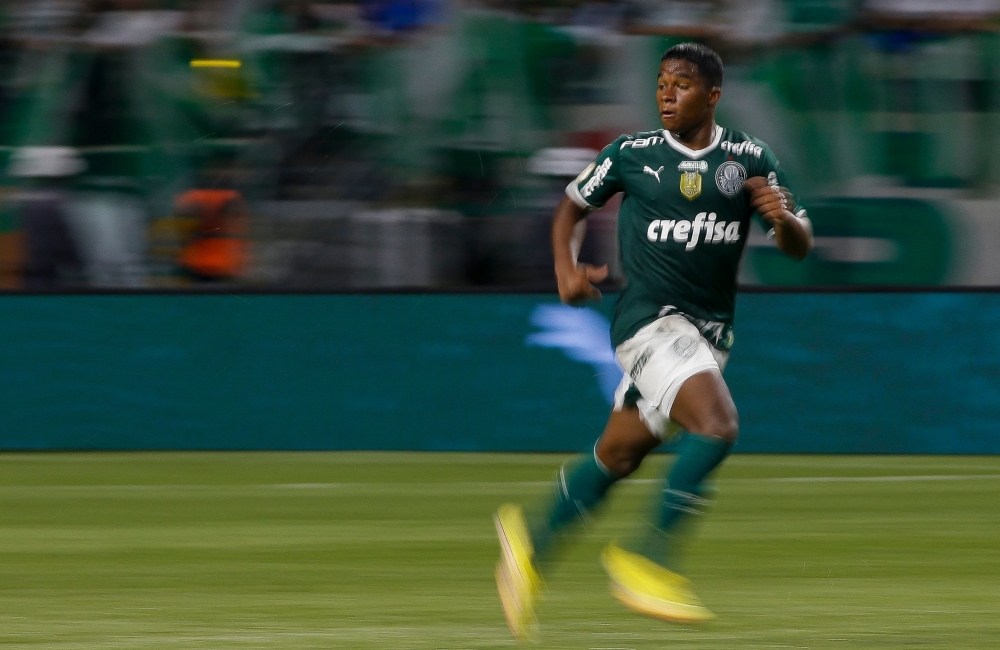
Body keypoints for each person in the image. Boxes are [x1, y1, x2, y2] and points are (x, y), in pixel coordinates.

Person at [493, 42, 813, 641]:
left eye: (682, 84)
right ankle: (650, 562)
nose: (666, 93)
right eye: (662, 83)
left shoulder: (749, 158)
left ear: (712, 95)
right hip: (649, 323)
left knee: (618, 455)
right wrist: (565, 268)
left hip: (707, 335)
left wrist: (785, 220)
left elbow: (799, 244)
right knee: (717, 426)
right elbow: (571, 206)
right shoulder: (631, 154)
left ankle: (529, 546)